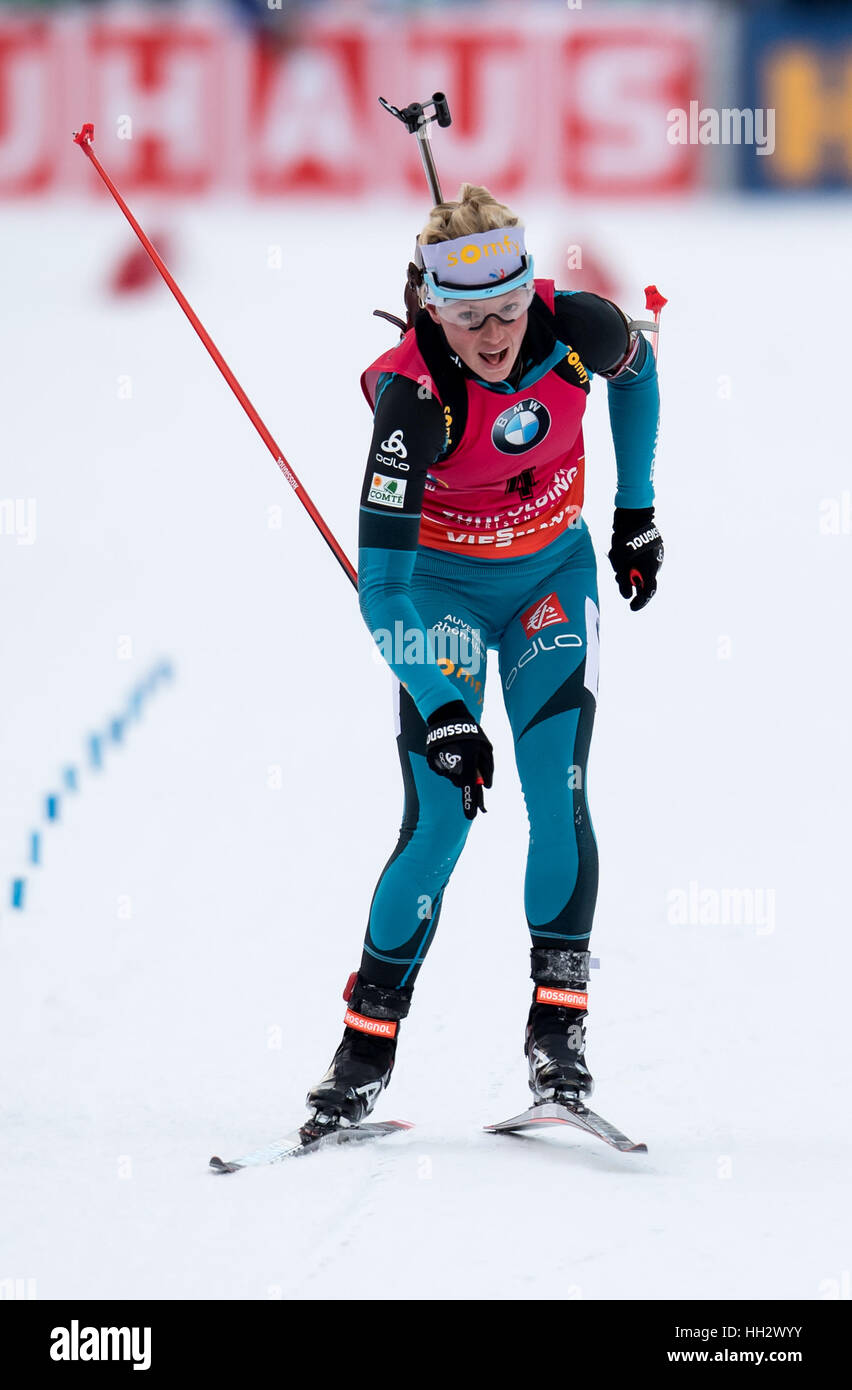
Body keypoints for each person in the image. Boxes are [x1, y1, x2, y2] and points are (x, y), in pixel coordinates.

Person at [304, 184, 662, 1132]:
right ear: (432, 307)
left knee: (560, 792)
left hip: (550, 581)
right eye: (470, 317)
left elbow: (640, 370)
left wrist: (636, 514)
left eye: (508, 308)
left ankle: (559, 1042)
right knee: (440, 822)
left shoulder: (573, 326)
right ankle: (361, 1054)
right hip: (443, 602)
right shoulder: (412, 407)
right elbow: (381, 590)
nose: (496, 334)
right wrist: (444, 707)